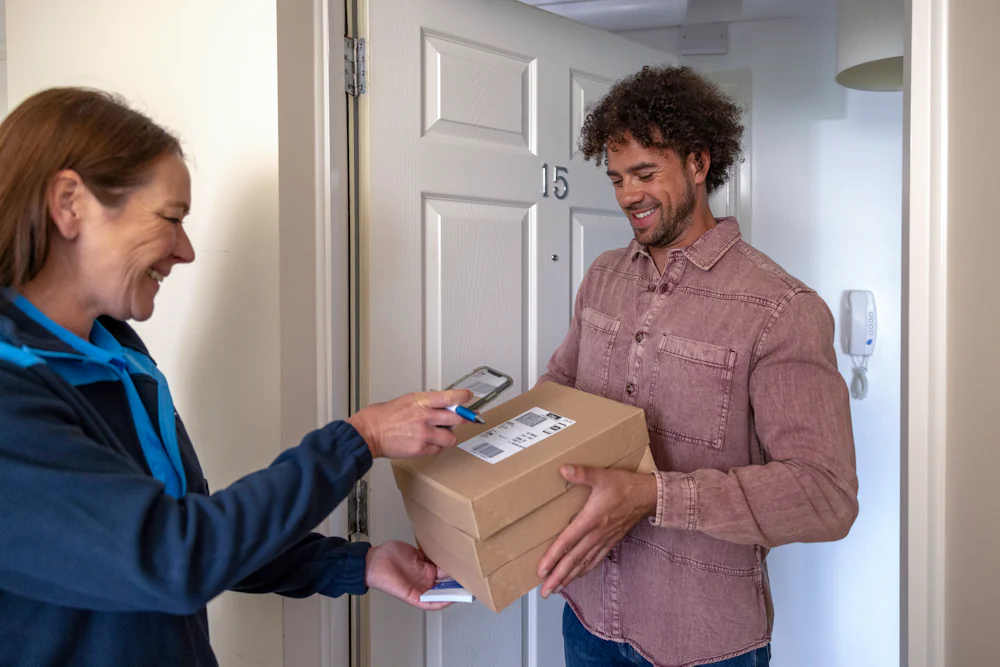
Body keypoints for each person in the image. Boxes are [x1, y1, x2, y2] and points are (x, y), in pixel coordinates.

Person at [0, 88, 472, 667]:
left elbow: (192, 533)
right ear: (69, 203)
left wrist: (359, 563)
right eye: (171, 219)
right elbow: (174, 558)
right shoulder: (10, 394)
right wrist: (360, 438)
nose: (187, 251)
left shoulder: (118, 355)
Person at [533, 66, 859, 667]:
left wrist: (653, 495)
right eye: (616, 179)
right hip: (586, 616)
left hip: (702, 639)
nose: (628, 195)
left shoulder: (781, 308)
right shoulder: (603, 276)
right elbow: (559, 387)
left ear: (699, 163)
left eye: (645, 174)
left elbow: (825, 494)